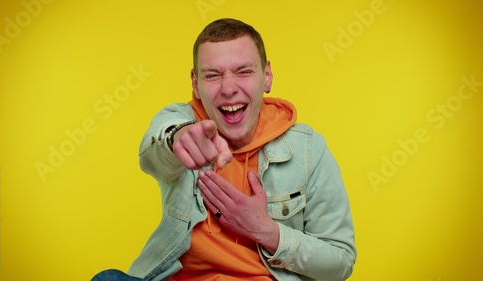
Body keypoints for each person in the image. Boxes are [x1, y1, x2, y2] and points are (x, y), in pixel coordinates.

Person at [92, 18, 356, 281]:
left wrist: (266, 231)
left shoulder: (309, 149)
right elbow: (153, 153)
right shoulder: (180, 120)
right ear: (195, 84)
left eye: (244, 71)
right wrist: (178, 138)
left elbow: (340, 263)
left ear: (267, 76)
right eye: (213, 75)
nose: (229, 88)